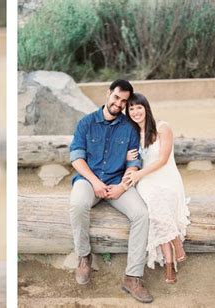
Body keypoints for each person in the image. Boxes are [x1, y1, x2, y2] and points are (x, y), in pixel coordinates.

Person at [69, 79, 153, 304]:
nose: (119, 103)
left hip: (118, 182)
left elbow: (133, 163)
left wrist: (123, 187)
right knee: (78, 204)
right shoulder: (86, 123)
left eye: (124, 101)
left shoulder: (129, 128)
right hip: (89, 180)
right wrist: (95, 182)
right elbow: (77, 159)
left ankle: (132, 277)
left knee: (141, 215)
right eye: (116, 98)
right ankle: (84, 257)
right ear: (108, 94)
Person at [124, 93, 190, 284]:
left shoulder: (163, 127)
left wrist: (138, 175)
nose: (135, 112)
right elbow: (133, 160)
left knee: (157, 207)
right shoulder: (134, 135)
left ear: (146, 108)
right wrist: (130, 160)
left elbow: (162, 159)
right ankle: (174, 250)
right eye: (131, 109)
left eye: (139, 107)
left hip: (167, 178)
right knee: (153, 205)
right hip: (147, 180)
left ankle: (170, 261)